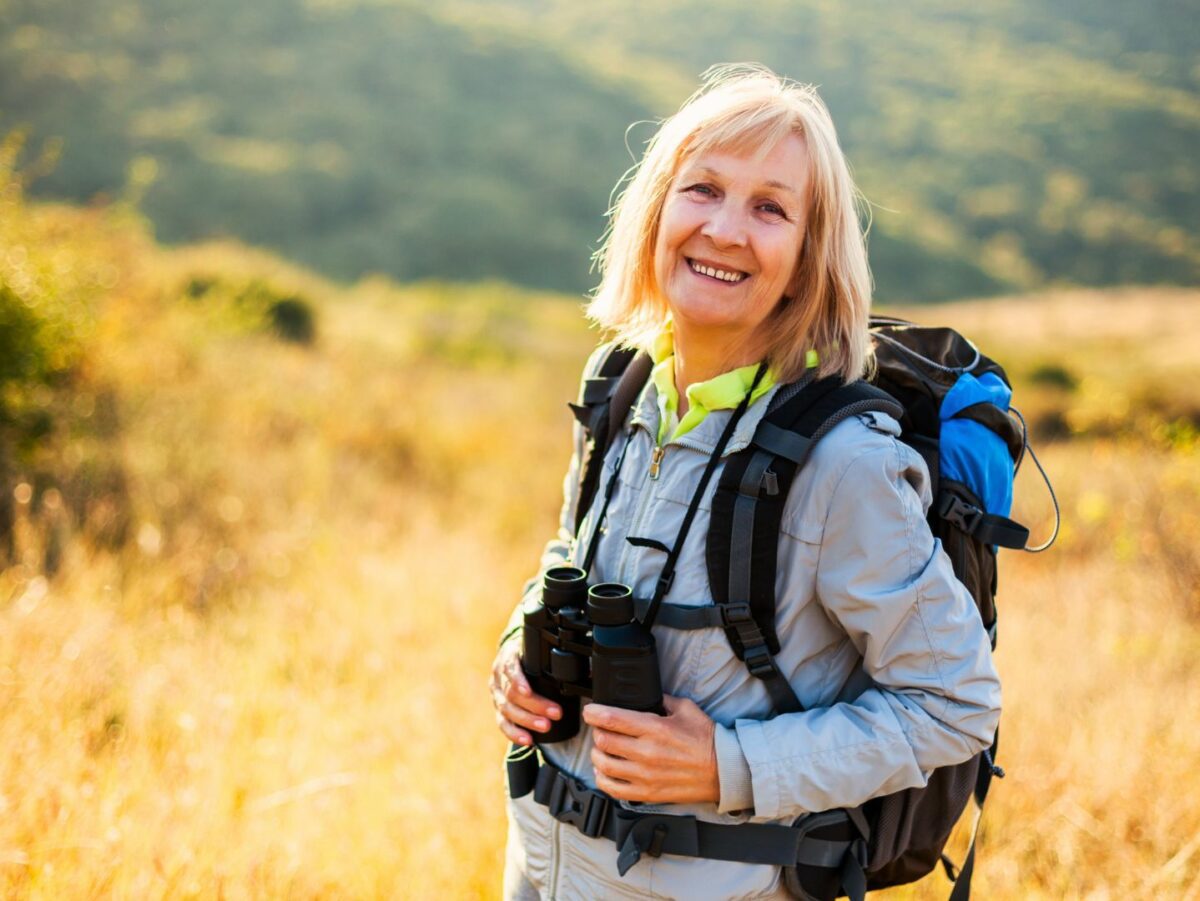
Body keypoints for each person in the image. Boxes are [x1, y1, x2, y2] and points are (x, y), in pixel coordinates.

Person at [489, 64, 1001, 900]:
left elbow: (955, 703)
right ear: (656, 210)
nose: (725, 229)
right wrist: (518, 648)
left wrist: (726, 764)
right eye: (703, 189)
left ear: (807, 257)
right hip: (541, 865)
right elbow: (570, 551)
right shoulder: (624, 387)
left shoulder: (844, 465)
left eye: (771, 208)